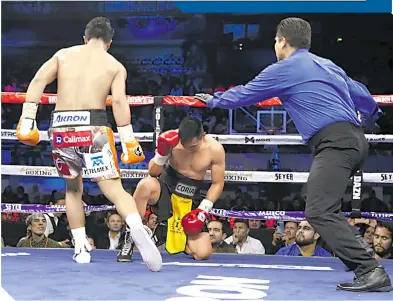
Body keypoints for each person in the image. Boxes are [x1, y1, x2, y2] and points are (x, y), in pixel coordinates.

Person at [194, 17, 392, 292]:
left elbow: (247, 93)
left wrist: (213, 100)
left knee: (318, 210)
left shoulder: (285, 68)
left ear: (282, 41)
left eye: (275, 40)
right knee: (325, 206)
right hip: (354, 140)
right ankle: (355, 257)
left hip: (335, 142)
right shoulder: (327, 64)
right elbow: (360, 92)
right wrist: (372, 115)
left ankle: (370, 269)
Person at [15, 17, 162, 272]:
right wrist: (127, 136)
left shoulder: (63, 55)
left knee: (73, 190)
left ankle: (81, 248)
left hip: (61, 128)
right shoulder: (114, 65)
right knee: (114, 189)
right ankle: (137, 227)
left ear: (85, 38)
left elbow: (38, 81)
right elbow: (118, 103)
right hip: (93, 128)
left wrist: (27, 118)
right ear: (109, 43)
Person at [117, 116, 225, 262]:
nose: (188, 149)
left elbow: (217, 183)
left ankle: (168, 235)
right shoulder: (171, 141)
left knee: (202, 253)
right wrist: (162, 155)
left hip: (191, 197)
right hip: (166, 189)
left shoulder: (215, 149)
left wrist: (203, 210)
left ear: (203, 135)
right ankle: (129, 238)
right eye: (185, 145)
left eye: (193, 146)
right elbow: (153, 172)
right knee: (145, 185)